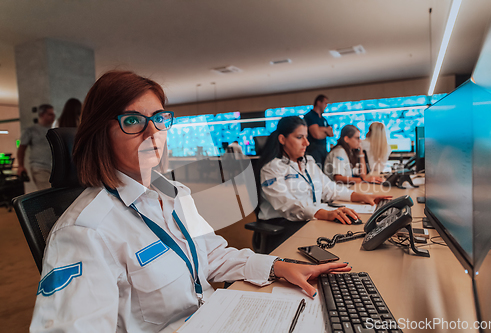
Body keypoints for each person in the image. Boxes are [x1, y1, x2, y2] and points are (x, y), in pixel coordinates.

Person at [30, 71, 352, 333]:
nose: (151, 132)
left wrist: (278, 266)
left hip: (217, 316)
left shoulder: (175, 192)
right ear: (101, 133)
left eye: (159, 118)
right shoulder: (84, 231)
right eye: (132, 121)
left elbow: (212, 254)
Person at [258, 116, 391, 228]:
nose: (307, 143)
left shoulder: (308, 162)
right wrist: (326, 214)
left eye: (306, 137)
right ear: (282, 139)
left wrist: (364, 196)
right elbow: (288, 205)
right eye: (300, 137)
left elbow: (330, 189)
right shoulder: (271, 169)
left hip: (311, 218)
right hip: (284, 225)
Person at [17, 104, 56, 190]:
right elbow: (21, 148)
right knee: (47, 192)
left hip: (54, 167)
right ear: (42, 115)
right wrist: (20, 166)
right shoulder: (31, 131)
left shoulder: (55, 130)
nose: (53, 116)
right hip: (39, 167)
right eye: (50, 114)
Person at [303, 94, 333, 168]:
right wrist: (325, 130)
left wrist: (320, 129)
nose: (326, 106)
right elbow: (317, 135)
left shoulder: (323, 119)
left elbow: (331, 133)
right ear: (319, 102)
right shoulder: (310, 116)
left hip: (323, 149)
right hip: (313, 150)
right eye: (325, 103)